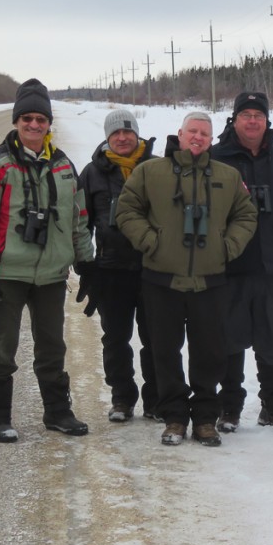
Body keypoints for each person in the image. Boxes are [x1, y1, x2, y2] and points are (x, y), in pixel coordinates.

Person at [115, 111, 257, 447]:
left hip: (210, 281)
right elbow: (126, 209)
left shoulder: (228, 175)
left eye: (204, 134)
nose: (198, 138)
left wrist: (228, 246)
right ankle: (175, 417)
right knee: (164, 352)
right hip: (161, 280)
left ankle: (206, 418)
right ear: (180, 134)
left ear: (211, 139)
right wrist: (152, 242)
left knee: (210, 353)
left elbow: (246, 213)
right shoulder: (150, 172)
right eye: (192, 131)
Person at [0, 78, 93, 442]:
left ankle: (57, 412)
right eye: (27, 119)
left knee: (52, 347)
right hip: (5, 273)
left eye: (41, 119)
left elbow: (78, 220)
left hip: (51, 275)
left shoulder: (64, 167)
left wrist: (87, 262)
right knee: (3, 348)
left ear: (49, 123)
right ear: (16, 121)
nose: (34, 125)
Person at [210, 92, 273, 435]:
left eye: (258, 115)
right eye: (246, 115)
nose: (252, 121)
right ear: (234, 119)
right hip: (230, 268)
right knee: (229, 340)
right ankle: (230, 406)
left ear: (267, 121)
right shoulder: (216, 159)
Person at [78, 109, 160, 423]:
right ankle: (122, 399)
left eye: (128, 132)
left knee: (155, 339)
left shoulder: (156, 167)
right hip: (111, 270)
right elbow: (81, 223)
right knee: (115, 340)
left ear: (137, 134)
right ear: (108, 138)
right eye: (116, 134)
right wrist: (86, 266)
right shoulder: (93, 173)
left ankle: (155, 400)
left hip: (152, 269)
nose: (123, 138)